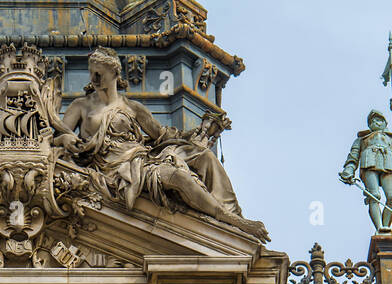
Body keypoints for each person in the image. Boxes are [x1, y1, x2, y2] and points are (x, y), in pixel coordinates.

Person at [57, 47, 263, 235]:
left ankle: (231, 216)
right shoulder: (80, 106)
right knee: (180, 178)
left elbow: (162, 135)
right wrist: (66, 137)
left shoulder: (132, 107)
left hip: (141, 161)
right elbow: (59, 135)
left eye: (99, 73)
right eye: (91, 72)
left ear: (114, 73)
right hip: (112, 168)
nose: (94, 77)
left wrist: (198, 134)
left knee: (204, 156)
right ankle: (224, 217)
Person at [338, 100, 392, 232]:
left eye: (379, 120)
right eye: (372, 121)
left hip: (389, 164)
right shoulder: (362, 140)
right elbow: (353, 156)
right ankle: (380, 227)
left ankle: (385, 226)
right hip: (369, 163)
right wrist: (349, 170)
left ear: (386, 123)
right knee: (374, 195)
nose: (375, 122)